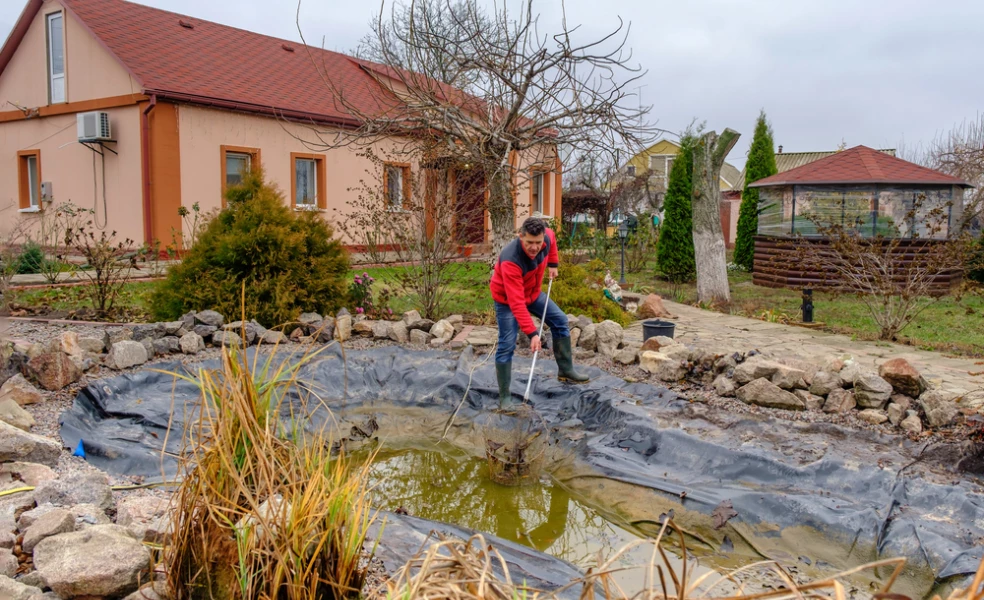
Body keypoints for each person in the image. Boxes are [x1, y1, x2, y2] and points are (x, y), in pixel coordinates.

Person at [489, 216, 588, 409]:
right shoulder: (511, 260)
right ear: (520, 237)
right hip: (507, 300)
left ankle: (566, 370)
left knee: (560, 320)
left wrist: (553, 264)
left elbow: (551, 240)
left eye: (538, 242)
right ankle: (505, 397)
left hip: (532, 293)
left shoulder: (547, 237)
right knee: (507, 344)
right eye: (529, 243)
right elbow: (516, 303)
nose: (534, 247)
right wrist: (533, 333)